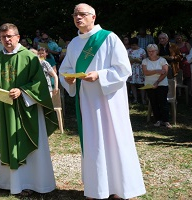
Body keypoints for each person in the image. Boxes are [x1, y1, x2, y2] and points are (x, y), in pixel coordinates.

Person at [58, 4, 147, 199]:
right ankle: (96, 189)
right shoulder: (73, 43)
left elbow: (124, 69)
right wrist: (68, 78)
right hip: (86, 102)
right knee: (93, 143)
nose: (78, 18)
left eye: (82, 14)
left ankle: (120, 188)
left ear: (93, 16)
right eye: (75, 14)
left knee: (113, 140)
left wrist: (99, 74)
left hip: (109, 101)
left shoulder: (109, 38)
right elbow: (65, 69)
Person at [0, 23, 59, 196]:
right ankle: (8, 182)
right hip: (4, 109)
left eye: (10, 36)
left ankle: (33, 182)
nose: (7, 40)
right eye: (3, 37)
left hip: (26, 109)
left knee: (27, 144)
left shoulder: (29, 57)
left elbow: (39, 83)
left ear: (18, 37)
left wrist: (22, 90)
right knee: (7, 143)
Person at [142, 44, 171, 127]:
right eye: (149, 51)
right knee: (153, 102)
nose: (151, 53)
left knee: (163, 102)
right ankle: (157, 120)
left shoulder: (162, 60)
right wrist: (157, 71)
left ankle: (166, 120)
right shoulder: (145, 61)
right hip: (149, 85)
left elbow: (164, 73)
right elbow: (145, 72)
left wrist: (157, 82)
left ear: (157, 51)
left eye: (153, 51)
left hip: (161, 84)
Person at [127, 39, 147, 105]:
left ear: (137, 44)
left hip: (140, 68)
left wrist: (139, 61)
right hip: (132, 68)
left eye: (134, 45)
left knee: (141, 84)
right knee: (132, 84)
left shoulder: (142, 50)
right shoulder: (128, 51)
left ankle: (143, 99)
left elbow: (145, 61)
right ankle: (135, 98)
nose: (133, 46)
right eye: (132, 45)